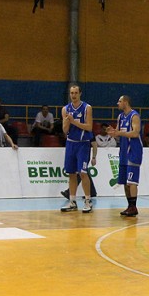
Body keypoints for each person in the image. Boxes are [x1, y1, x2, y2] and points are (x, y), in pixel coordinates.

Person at [60, 85, 94, 213]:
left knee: (83, 173)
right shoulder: (65, 109)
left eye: (75, 93)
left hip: (83, 144)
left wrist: (74, 122)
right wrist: (67, 122)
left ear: (80, 93)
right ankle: (72, 201)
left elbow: (89, 127)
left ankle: (88, 200)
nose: (73, 95)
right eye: (71, 93)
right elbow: (64, 130)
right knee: (71, 173)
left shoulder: (87, 108)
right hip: (70, 144)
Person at [108, 95, 142, 217]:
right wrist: (113, 133)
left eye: (120, 101)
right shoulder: (120, 117)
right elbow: (118, 134)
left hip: (134, 151)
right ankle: (130, 206)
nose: (118, 103)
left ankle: (134, 206)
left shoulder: (134, 116)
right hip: (123, 152)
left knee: (131, 182)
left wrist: (120, 133)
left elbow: (135, 133)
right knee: (124, 182)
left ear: (126, 102)